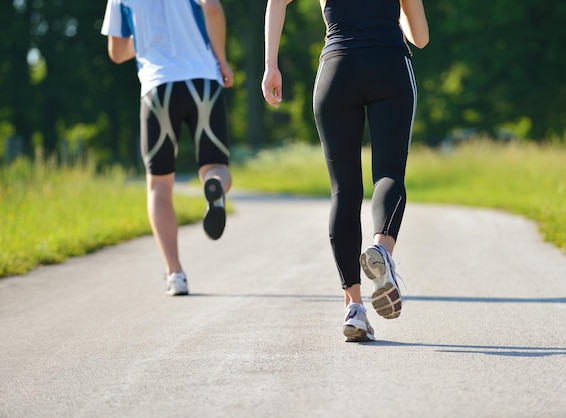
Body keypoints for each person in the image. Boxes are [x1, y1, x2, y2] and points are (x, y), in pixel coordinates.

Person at [262, 0, 429, 341]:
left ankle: (353, 307)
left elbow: (276, 2)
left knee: (344, 191)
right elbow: (421, 38)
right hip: (389, 65)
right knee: (388, 173)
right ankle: (381, 249)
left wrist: (271, 66)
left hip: (337, 69)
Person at [101, 0, 234, 296]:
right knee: (216, 167)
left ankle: (175, 274)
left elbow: (117, 52)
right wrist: (222, 60)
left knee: (159, 186)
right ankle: (213, 186)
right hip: (203, 80)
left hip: (157, 86)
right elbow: (212, 8)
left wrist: (150, 40)